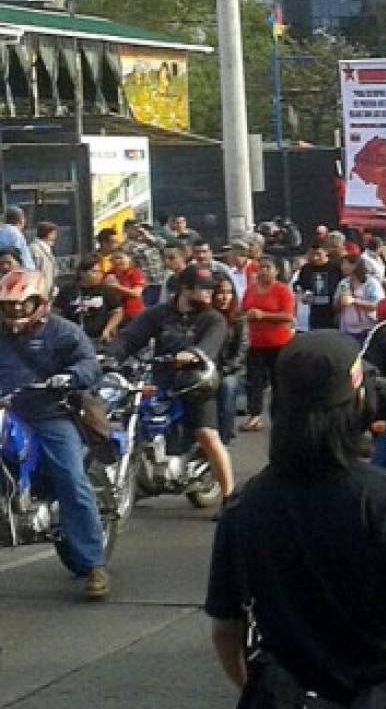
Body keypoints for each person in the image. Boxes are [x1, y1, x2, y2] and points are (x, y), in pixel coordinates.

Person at [205, 332, 386, 709]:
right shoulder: (384, 499)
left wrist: (257, 688)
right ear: (357, 403)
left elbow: (226, 630)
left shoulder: (244, 504)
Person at [0, 269, 108, 600]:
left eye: (22, 306)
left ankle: (94, 565)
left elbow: (89, 364)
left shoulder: (64, 332)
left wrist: (69, 377)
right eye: (8, 307)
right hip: (6, 414)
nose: (14, 313)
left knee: (71, 479)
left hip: (49, 414)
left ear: (40, 303)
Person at [112, 265, 235, 503]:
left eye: (212, 289)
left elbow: (210, 345)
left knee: (207, 434)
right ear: (184, 289)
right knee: (134, 417)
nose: (210, 293)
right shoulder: (159, 314)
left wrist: (194, 354)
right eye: (204, 289)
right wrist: (110, 356)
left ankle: (229, 496)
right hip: (161, 381)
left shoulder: (213, 319)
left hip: (198, 383)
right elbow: (130, 337)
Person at [240, 259, 296, 432]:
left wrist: (263, 315)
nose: (263, 271)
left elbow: (288, 316)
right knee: (254, 381)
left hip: (278, 344)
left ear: (276, 271)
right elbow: (243, 310)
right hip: (256, 343)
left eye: (267, 268)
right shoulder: (251, 290)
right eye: (260, 268)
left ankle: (279, 418)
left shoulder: (282, 290)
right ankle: (255, 415)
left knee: (279, 383)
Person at [54, 255, 123, 343]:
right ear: (82, 273)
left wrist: (108, 329)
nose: (98, 275)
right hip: (73, 338)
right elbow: (56, 312)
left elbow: (117, 311)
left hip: (98, 338)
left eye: (100, 272)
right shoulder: (68, 290)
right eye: (94, 272)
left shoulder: (105, 290)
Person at [213, 279, 248, 445]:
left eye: (228, 293)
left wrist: (227, 368)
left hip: (231, 370)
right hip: (207, 369)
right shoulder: (206, 317)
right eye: (220, 292)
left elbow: (242, 348)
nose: (224, 297)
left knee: (227, 387)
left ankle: (224, 436)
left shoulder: (239, 318)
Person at [335, 256, 384, 344]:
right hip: (347, 330)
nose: (342, 267)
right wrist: (340, 301)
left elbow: (377, 305)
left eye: (345, 264)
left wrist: (354, 301)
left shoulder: (371, 283)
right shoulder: (343, 283)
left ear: (355, 265)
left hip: (367, 330)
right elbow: (335, 306)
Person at [294, 244, 343, 331]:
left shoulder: (336, 268)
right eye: (312, 254)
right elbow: (299, 285)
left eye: (318, 254)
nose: (315, 258)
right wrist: (303, 294)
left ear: (326, 252)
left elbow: (344, 285)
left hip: (332, 310)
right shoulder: (306, 268)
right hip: (313, 309)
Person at [104, 250, 145, 323]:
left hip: (134, 313)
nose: (118, 261)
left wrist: (116, 286)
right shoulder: (109, 274)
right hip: (115, 314)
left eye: (120, 257)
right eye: (115, 258)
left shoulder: (135, 272)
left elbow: (136, 293)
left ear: (129, 258)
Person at [30, 220, 58, 298]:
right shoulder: (35, 249)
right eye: (54, 234)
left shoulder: (47, 249)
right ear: (47, 234)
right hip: (39, 292)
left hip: (48, 291)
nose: (55, 236)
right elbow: (34, 271)